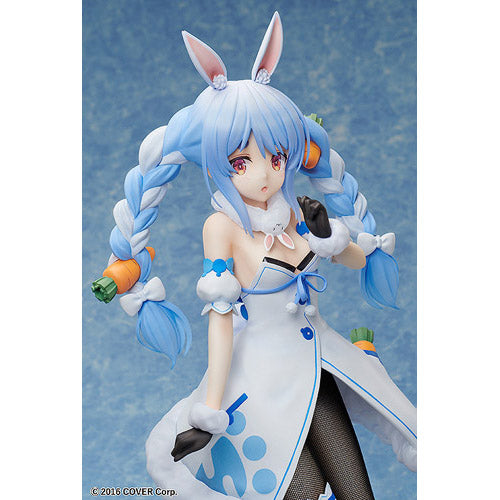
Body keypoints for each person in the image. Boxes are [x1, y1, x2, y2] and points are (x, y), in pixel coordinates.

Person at [98, 12, 416, 500]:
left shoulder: (294, 213)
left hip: (318, 367)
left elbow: (354, 261)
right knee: (296, 491)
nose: (264, 174)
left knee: (357, 490)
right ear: (219, 163)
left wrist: (328, 235)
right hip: (261, 385)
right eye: (241, 162)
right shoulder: (221, 228)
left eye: (276, 157)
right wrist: (210, 408)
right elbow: (221, 321)